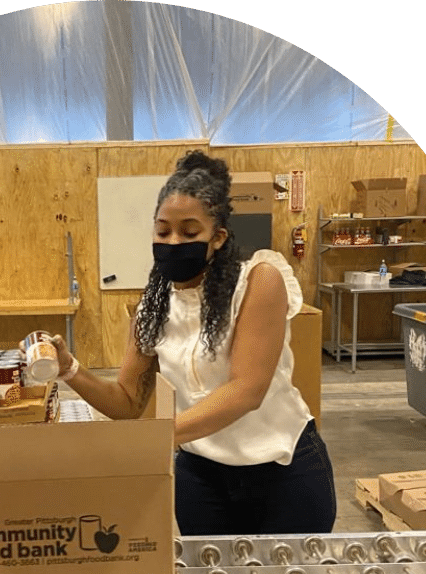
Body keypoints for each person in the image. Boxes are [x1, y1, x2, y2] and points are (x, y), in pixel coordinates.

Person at [27, 150, 336, 538]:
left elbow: (246, 390)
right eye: (163, 231)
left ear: (218, 238)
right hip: (202, 477)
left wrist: (155, 436)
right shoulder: (153, 309)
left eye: (190, 233)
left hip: (282, 473)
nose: (173, 242)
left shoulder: (259, 281)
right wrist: (70, 368)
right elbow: (126, 400)